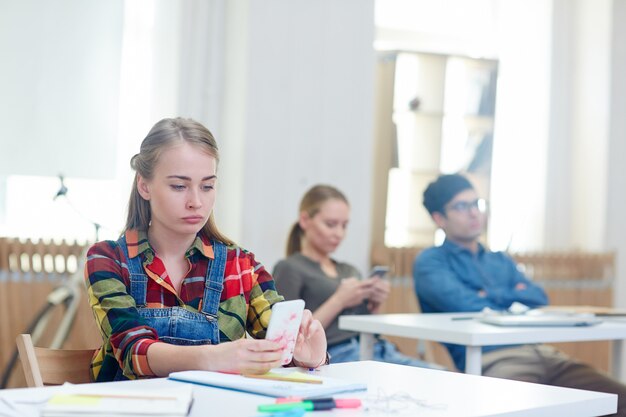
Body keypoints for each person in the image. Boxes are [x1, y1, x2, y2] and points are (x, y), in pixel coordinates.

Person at [84, 118, 327, 382]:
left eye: (207, 186)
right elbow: (132, 351)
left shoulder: (240, 265)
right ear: (144, 186)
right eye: (179, 186)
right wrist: (213, 358)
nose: (196, 202)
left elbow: (278, 347)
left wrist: (307, 354)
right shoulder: (108, 259)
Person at [414, 173, 626, 416]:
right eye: (461, 206)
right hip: (493, 357)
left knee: (618, 399)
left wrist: (489, 295)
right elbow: (466, 304)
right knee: (517, 408)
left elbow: (538, 297)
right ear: (439, 218)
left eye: (476, 204)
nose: (474, 213)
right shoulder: (431, 262)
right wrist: (511, 296)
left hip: (542, 351)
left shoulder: (499, 260)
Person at [273, 184, 440, 368]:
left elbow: (365, 325)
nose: (339, 233)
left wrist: (375, 304)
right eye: (330, 224)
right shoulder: (290, 268)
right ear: (305, 220)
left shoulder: (349, 270)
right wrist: (339, 300)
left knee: (442, 374)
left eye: (344, 225)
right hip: (337, 354)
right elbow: (288, 339)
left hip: (376, 348)